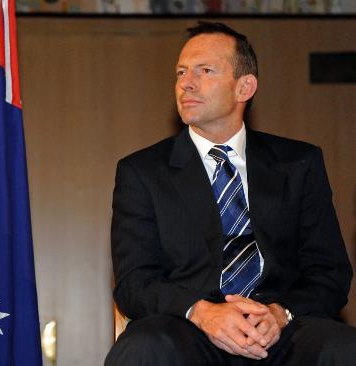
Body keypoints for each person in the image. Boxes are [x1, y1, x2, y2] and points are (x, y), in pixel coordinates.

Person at [106, 22, 356, 365]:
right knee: (143, 350)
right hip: (188, 330)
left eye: (205, 70)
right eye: (181, 72)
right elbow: (135, 282)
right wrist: (203, 313)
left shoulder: (299, 164)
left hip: (280, 330)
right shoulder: (143, 172)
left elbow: (330, 273)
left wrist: (279, 313)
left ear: (245, 87)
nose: (186, 83)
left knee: (345, 348)